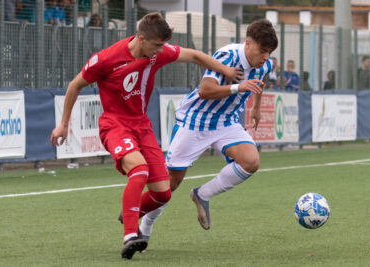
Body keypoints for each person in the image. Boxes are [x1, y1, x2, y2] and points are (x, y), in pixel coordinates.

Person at [50, 12, 241, 260]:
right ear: (141, 39)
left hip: (142, 126)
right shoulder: (106, 59)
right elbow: (74, 85)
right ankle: (131, 235)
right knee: (139, 170)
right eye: (157, 45)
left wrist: (225, 69)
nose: (162, 50)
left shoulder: (157, 53)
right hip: (115, 125)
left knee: (163, 193)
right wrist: (63, 124)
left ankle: (131, 211)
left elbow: (195, 56)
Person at [137, 18, 278, 241]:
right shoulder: (227, 55)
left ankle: (202, 194)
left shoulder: (265, 64)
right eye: (262, 51)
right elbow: (205, 90)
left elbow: (259, 81)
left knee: (251, 162)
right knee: (170, 184)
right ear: (248, 44)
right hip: (196, 121)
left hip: (226, 122)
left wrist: (256, 108)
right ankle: (144, 228)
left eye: (269, 52)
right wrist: (238, 87)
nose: (266, 57)